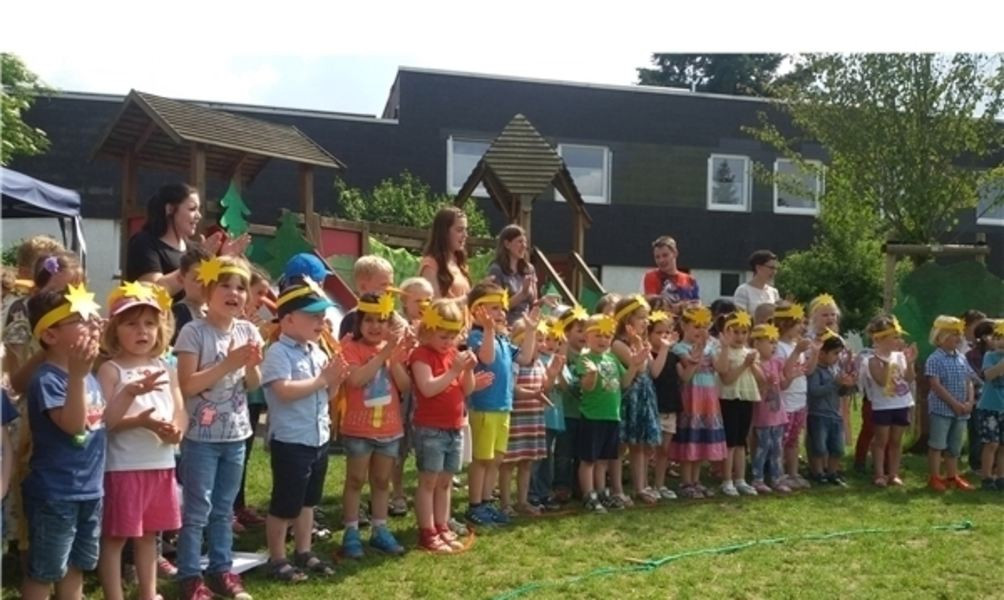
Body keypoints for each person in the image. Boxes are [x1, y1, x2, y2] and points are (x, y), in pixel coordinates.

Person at [174, 255, 262, 600]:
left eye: (241, 287)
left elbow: (253, 382)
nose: (234, 293)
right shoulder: (193, 331)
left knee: (224, 508)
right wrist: (228, 363)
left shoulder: (248, 330)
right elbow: (188, 385)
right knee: (197, 509)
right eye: (225, 285)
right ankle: (190, 575)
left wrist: (252, 366)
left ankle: (221, 570)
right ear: (207, 291)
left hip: (236, 434)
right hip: (200, 437)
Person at [96, 282, 185, 600]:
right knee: (116, 537)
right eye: (131, 323)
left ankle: (148, 593)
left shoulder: (165, 367)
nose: (141, 330)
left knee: (150, 535)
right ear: (114, 330)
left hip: (160, 464)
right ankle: (114, 594)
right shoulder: (111, 370)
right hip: (123, 467)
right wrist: (141, 419)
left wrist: (176, 430)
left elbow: (180, 409)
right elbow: (106, 422)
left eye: (149, 323)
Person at [21, 286, 104, 600]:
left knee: (76, 566)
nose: (92, 324)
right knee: (45, 571)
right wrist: (79, 377)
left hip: (89, 489)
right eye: (79, 319)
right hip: (55, 493)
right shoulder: (49, 379)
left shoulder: (86, 375)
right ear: (51, 335)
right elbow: (72, 426)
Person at [260, 276, 345, 582]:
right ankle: (278, 556)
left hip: (317, 438)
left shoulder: (318, 352)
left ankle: (304, 550)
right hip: (291, 441)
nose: (321, 321)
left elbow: (327, 395)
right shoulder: (277, 353)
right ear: (288, 319)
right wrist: (323, 380)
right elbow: (282, 391)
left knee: (308, 501)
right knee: (285, 503)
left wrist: (334, 380)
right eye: (314, 315)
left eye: (323, 315)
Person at [339, 292, 412, 559]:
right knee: (356, 479)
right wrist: (382, 356)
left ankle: (380, 529)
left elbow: (405, 386)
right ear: (359, 322)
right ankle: (351, 531)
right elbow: (356, 380)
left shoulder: (395, 350)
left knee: (382, 481)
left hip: (389, 428)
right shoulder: (351, 349)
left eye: (381, 320)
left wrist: (393, 357)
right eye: (369, 320)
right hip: (359, 428)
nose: (375, 326)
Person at [464, 282, 537, 526]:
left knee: (495, 459)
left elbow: (526, 358)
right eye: (493, 308)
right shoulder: (476, 336)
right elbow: (486, 357)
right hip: (484, 407)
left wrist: (531, 331)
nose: (500, 314)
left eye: (502, 309)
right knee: (481, 459)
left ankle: (486, 501)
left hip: (503, 408)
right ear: (476, 311)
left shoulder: (503, 339)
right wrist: (487, 330)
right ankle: (475, 505)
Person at [409, 299, 477, 552]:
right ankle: (427, 531)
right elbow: (427, 388)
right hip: (430, 428)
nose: (448, 341)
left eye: (453, 335)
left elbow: (466, 388)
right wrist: (453, 370)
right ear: (427, 330)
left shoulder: (452, 355)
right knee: (429, 481)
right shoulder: (421, 355)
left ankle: (442, 525)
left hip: (454, 426)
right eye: (443, 335)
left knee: (446, 481)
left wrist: (467, 370)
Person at [574, 314, 644, 513]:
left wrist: (634, 366)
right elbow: (586, 387)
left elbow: (624, 383)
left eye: (607, 336)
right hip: (592, 416)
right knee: (589, 459)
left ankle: (601, 491)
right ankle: (589, 495)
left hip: (611, 416)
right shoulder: (585, 358)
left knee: (603, 460)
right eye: (597, 335)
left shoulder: (612, 358)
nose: (603, 340)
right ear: (587, 337)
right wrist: (592, 375)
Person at [499, 318, 563, 515]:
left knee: (527, 462)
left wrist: (552, 374)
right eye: (538, 340)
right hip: (518, 419)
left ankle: (522, 500)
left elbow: (546, 388)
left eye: (543, 340)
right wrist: (533, 394)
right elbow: (513, 388)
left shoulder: (539, 365)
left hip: (533, 420)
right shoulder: (516, 365)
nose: (543, 345)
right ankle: (505, 503)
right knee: (509, 463)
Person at [670, 305, 726, 499]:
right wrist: (699, 353)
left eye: (703, 326)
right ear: (684, 325)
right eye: (695, 326)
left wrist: (721, 348)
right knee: (690, 438)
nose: (700, 331)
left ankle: (696, 480)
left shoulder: (711, 346)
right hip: (691, 396)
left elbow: (720, 368)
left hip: (708, 396)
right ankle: (686, 481)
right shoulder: (679, 348)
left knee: (702, 438)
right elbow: (688, 371)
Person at [390, 277, 434, 517]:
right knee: (399, 446)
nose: (424, 305)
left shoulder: (434, 326)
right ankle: (396, 491)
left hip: (427, 395)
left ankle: (423, 491)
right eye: (418, 300)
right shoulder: (399, 324)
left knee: (425, 444)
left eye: (428, 300)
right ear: (404, 302)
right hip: (402, 394)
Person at [612, 295, 662, 505]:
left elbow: (651, 368)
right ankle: (617, 489)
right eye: (641, 317)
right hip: (628, 399)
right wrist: (638, 344)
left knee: (640, 445)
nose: (646, 322)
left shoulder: (640, 342)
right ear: (627, 320)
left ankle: (641, 486)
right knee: (621, 445)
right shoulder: (619, 344)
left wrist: (641, 344)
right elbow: (639, 366)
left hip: (644, 396)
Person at [862, 315, 917, 488]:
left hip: (901, 403)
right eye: (895, 337)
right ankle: (879, 473)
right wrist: (887, 362)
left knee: (896, 440)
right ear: (880, 339)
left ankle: (893, 473)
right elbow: (881, 381)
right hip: (883, 406)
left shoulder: (900, 357)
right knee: (881, 440)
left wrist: (910, 362)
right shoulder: (872, 360)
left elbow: (909, 378)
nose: (899, 341)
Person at [713, 310, 763, 497]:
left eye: (744, 332)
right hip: (729, 398)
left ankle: (740, 479)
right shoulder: (721, 351)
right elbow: (726, 377)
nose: (740, 336)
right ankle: (727, 479)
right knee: (730, 442)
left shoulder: (749, 353)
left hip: (746, 398)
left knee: (741, 442)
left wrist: (752, 364)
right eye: (735, 332)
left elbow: (761, 379)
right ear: (725, 333)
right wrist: (743, 365)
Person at [924, 316, 976, 492]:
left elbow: (968, 380)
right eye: (953, 334)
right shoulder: (934, 359)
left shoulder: (961, 358)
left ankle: (952, 475)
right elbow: (935, 385)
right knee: (937, 444)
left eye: (959, 334)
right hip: (942, 410)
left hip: (961, 411)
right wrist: (953, 403)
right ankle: (935, 476)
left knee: (955, 446)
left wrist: (969, 401)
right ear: (940, 337)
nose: (958, 338)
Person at [774, 301, 817, 490]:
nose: (802, 327)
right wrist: (797, 351)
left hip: (799, 399)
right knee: (781, 441)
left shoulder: (794, 345)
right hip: (785, 401)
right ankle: (778, 474)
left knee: (793, 440)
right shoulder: (779, 347)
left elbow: (807, 371)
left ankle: (793, 473)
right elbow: (784, 371)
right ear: (785, 324)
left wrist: (814, 354)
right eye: (798, 323)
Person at [528, 317, 570, 508]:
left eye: (557, 341)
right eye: (549, 339)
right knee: (536, 457)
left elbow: (566, 386)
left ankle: (544, 492)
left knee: (548, 457)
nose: (552, 344)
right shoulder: (536, 360)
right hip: (539, 416)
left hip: (554, 417)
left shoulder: (558, 360)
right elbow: (543, 387)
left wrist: (559, 371)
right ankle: (532, 493)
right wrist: (552, 374)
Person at [806, 330, 854, 487]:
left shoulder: (834, 369)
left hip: (835, 414)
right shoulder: (815, 371)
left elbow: (839, 392)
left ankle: (832, 473)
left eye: (839, 353)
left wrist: (846, 386)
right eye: (835, 353)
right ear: (821, 353)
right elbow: (814, 391)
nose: (837, 357)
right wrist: (835, 383)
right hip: (818, 414)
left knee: (837, 448)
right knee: (819, 447)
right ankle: (818, 472)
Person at [549, 305, 587, 503]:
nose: (584, 335)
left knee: (581, 452)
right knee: (564, 452)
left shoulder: (588, 355)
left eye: (586, 330)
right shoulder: (565, 354)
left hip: (584, 413)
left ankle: (579, 485)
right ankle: (561, 486)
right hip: (566, 411)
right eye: (579, 330)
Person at [750, 324, 790, 493]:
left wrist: (791, 377)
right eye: (769, 342)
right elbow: (758, 388)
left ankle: (776, 477)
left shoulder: (777, 363)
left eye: (775, 342)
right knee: (763, 446)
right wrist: (766, 383)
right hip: (763, 414)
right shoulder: (754, 364)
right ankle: (757, 478)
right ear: (756, 343)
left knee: (777, 447)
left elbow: (783, 384)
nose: (773, 346)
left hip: (778, 413)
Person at [648, 306, 680, 500]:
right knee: (649, 450)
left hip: (670, 405)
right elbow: (655, 373)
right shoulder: (650, 353)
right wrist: (665, 348)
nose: (663, 336)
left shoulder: (673, 354)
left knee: (664, 449)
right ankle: (645, 484)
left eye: (667, 332)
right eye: (658, 332)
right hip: (653, 406)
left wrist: (695, 360)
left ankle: (659, 484)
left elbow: (683, 376)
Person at [487, 224, 537, 324]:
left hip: (527, 323)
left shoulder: (529, 269)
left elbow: (534, 302)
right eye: (520, 242)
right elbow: (498, 306)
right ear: (507, 244)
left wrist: (544, 300)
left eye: (525, 242)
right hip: (508, 324)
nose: (524, 246)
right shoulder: (496, 270)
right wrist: (522, 294)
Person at [419, 206, 472, 301]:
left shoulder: (459, 262)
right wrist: (469, 298)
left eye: (466, 230)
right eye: (459, 230)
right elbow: (435, 305)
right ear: (444, 232)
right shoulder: (430, 264)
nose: (465, 235)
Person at [337, 255, 396, 339]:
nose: (390, 290)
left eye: (390, 285)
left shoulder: (390, 315)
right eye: (384, 285)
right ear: (363, 287)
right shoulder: (353, 318)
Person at [976, 320, 1004, 490]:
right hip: (990, 407)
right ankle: (987, 477)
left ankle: (1001, 477)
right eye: (998, 337)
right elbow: (989, 376)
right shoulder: (990, 356)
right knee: (991, 443)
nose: (1001, 341)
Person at [641, 236, 700, 310]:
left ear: (675, 253)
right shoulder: (651, 276)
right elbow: (652, 304)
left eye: (665, 255)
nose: (661, 260)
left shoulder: (690, 280)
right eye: (657, 257)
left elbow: (697, 305)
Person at [171, 246, 211, 345]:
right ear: (181, 279)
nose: (205, 284)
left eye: (209, 278)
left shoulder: (217, 310)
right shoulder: (180, 312)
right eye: (198, 279)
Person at [732, 250, 780, 314]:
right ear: (758, 267)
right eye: (771, 268)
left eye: (776, 268)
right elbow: (741, 318)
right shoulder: (743, 290)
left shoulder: (774, 292)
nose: (774, 272)